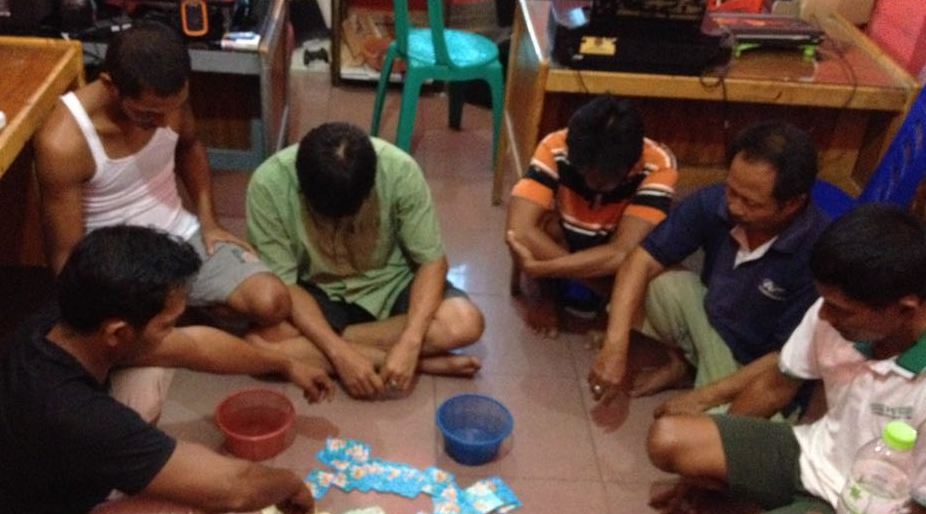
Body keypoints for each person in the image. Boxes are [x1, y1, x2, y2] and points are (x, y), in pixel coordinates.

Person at [34, 22, 292, 419]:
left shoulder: (167, 99)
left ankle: (177, 319)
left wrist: (209, 220)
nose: (162, 121)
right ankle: (175, 327)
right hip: (122, 265)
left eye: (171, 108)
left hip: (177, 235)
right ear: (110, 85)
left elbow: (190, 145)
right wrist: (94, 324)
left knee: (272, 302)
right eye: (147, 114)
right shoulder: (64, 141)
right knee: (141, 403)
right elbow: (66, 257)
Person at [0, 225, 333, 514]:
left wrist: (286, 363)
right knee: (190, 501)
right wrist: (290, 484)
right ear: (118, 333)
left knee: (154, 369)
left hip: (56, 452)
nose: (173, 331)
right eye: (166, 324)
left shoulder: (73, 315)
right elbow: (232, 487)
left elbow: (195, 347)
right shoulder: (78, 416)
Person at [646, 205, 926, 514]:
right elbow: (775, 385)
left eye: (840, 309)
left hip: (866, 502)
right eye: (824, 301)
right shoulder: (835, 312)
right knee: (668, 438)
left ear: (905, 309)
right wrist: (709, 470)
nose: (823, 315)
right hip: (812, 453)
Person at [589, 121, 830, 402]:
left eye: (751, 203)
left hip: (758, 365)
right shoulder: (714, 202)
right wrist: (615, 346)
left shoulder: (819, 252)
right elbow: (640, 260)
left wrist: (700, 399)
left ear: (792, 204)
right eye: (731, 190)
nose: (734, 206)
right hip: (712, 321)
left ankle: (701, 382)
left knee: (712, 425)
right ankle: (685, 366)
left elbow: (787, 357)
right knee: (657, 282)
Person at [246, 122, 484, 399]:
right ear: (302, 189)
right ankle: (423, 364)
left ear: (370, 188)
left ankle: (358, 350)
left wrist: (410, 341)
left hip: (391, 283)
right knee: (263, 342)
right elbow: (286, 284)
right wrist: (339, 354)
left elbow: (432, 262)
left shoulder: (399, 170)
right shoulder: (268, 184)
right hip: (317, 290)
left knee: (464, 323)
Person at [505, 95, 677, 322]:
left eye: (604, 179)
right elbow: (518, 230)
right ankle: (550, 296)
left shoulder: (659, 164)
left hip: (611, 239)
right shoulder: (556, 145)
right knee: (540, 227)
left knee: (644, 258)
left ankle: (602, 305)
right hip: (564, 237)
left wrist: (544, 268)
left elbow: (623, 251)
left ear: (632, 163)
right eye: (584, 171)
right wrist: (591, 280)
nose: (591, 183)